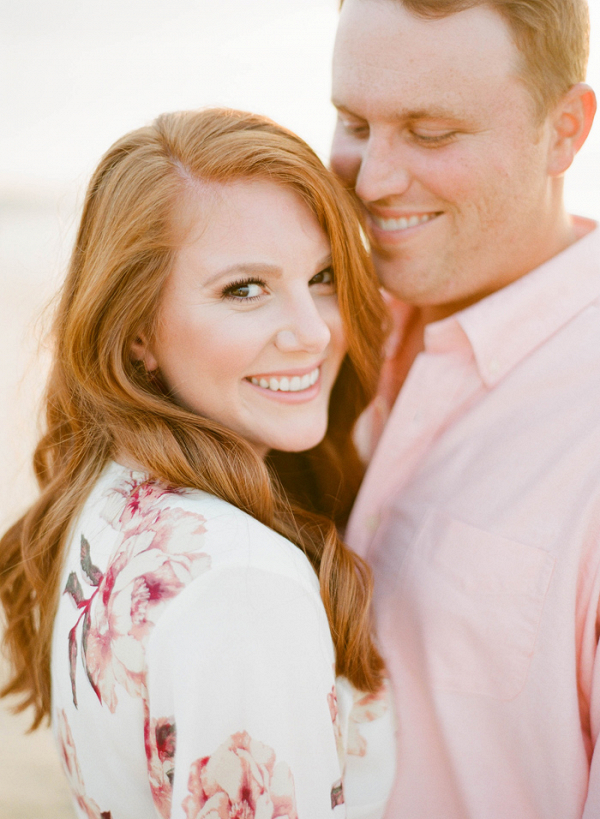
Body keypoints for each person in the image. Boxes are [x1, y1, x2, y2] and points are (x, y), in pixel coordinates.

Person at [0, 108, 396, 818]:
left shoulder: (105, 495)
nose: (313, 332)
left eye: (325, 275)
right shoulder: (242, 582)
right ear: (138, 331)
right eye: (245, 289)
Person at [330, 0, 599, 816]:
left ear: (564, 130)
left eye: (432, 132)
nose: (372, 180)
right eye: (352, 122)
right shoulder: (316, 332)